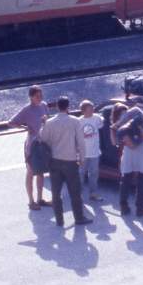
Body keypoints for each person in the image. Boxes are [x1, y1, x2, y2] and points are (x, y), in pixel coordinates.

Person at [37, 96, 90, 227]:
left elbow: (43, 139)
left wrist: (43, 125)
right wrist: (82, 158)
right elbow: (81, 142)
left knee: (56, 193)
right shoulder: (75, 121)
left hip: (54, 161)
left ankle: (59, 220)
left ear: (56, 106)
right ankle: (79, 218)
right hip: (70, 161)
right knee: (75, 192)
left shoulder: (50, 122)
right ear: (68, 107)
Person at [8, 86, 51, 209]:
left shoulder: (43, 105)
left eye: (41, 96)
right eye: (37, 96)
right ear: (31, 97)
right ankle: (31, 201)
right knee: (31, 172)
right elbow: (10, 122)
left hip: (42, 143)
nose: (40, 98)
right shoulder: (26, 110)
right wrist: (25, 128)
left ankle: (40, 198)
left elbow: (47, 120)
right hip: (32, 145)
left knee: (41, 172)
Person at [114, 98, 143, 216]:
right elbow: (132, 144)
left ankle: (136, 207)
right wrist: (140, 138)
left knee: (137, 178)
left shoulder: (139, 117)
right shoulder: (124, 125)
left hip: (141, 150)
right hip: (134, 150)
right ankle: (127, 206)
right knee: (130, 178)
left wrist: (140, 132)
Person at [77, 100, 105, 202]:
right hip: (83, 153)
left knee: (94, 174)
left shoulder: (97, 118)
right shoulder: (79, 121)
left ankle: (93, 193)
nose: (92, 110)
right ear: (83, 110)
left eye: (93, 108)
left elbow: (102, 122)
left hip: (94, 153)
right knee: (80, 174)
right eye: (90, 109)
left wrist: (102, 117)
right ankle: (78, 195)